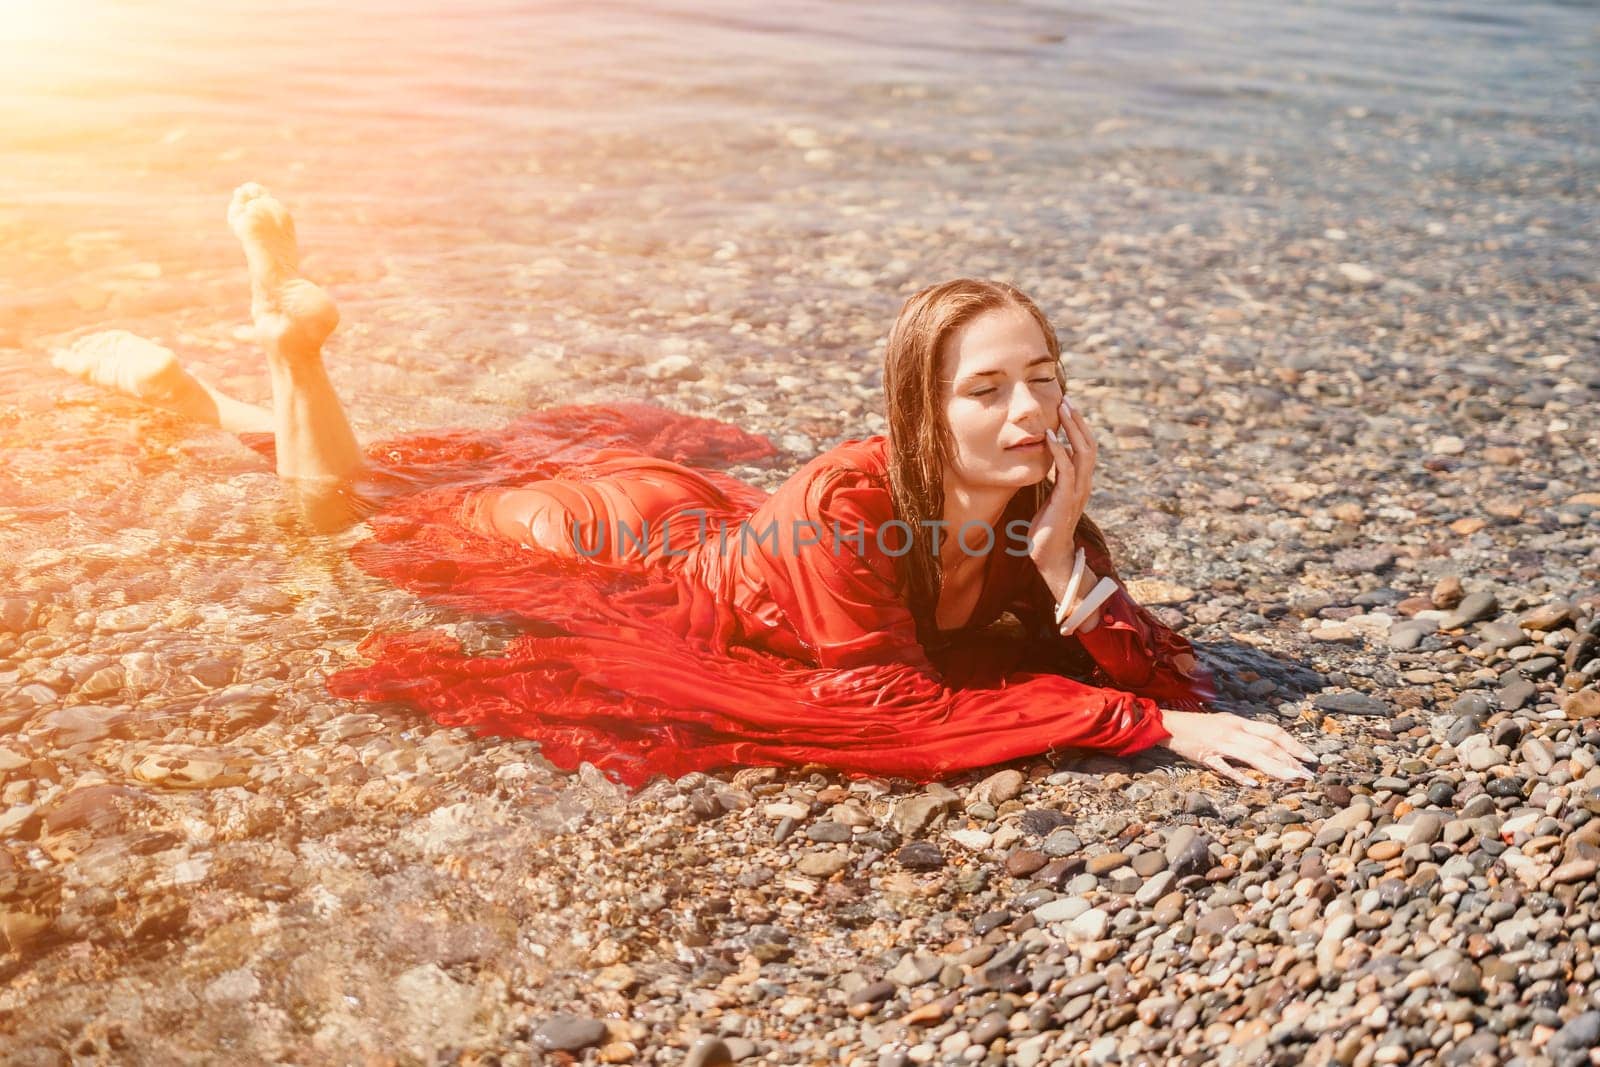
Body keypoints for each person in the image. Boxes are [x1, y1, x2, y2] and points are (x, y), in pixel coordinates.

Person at [53, 183, 1318, 788]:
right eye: (987, 389)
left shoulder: (1037, 504)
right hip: (589, 540)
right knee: (344, 519)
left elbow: (1160, 665)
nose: (1033, 410)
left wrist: (1060, 572)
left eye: (1042, 376)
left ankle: (197, 390)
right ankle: (285, 348)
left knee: (368, 482)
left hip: (683, 517)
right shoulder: (850, 502)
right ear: (918, 411)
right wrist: (1141, 729)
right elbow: (887, 703)